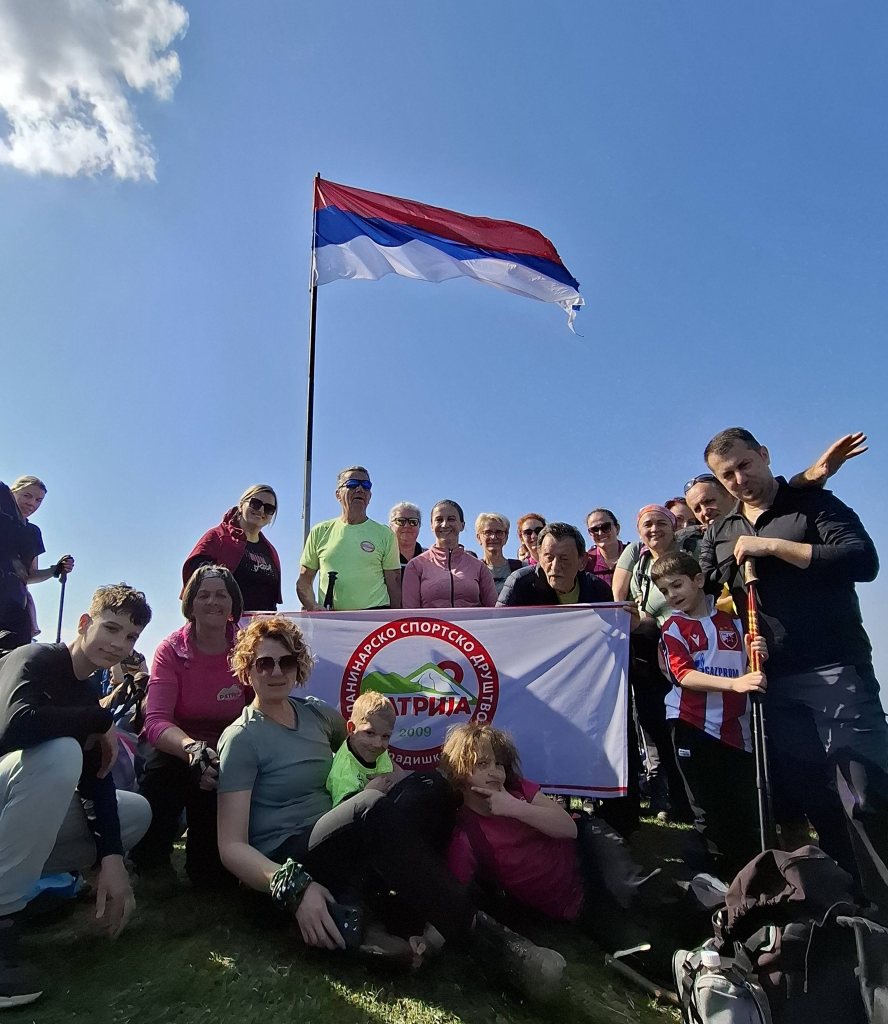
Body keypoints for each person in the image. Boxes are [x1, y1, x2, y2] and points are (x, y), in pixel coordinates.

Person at [216, 616, 565, 1000]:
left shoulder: (315, 714)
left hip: (339, 842)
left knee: (433, 785)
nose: (276, 671)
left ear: (298, 667)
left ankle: (378, 913)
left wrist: (406, 788)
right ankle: (497, 946)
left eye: (285, 661)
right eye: (264, 662)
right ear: (246, 669)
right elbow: (231, 847)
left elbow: (363, 745)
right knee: (367, 806)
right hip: (287, 861)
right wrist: (293, 887)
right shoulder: (241, 738)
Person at [701, 427, 888, 904]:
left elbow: (862, 560)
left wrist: (773, 548)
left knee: (865, 797)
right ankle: (852, 908)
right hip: (772, 684)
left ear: (764, 455)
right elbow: (707, 591)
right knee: (814, 801)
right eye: (728, 474)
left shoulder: (815, 506)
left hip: (835, 670)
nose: (740, 479)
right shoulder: (722, 532)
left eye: (746, 465)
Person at [0, 584, 153, 1007]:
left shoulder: (86, 692)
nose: (119, 644)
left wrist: (112, 861)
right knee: (61, 751)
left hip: (12, 819)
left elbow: (97, 779)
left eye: (130, 637)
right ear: (84, 623)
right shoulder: (35, 658)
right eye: (111, 628)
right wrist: (98, 718)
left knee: (135, 812)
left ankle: (22, 893)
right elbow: (16, 726)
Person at [131, 566, 249, 891]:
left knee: (213, 881)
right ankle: (151, 859)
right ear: (189, 603)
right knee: (163, 772)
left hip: (226, 755)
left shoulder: (247, 648)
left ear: (232, 603)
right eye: (203, 595)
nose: (213, 601)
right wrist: (192, 749)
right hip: (177, 751)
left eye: (221, 594)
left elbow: (259, 709)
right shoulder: (170, 650)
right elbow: (155, 721)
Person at [653, 552, 767, 879]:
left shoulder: (734, 621)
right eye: (665, 591)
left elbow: (753, 669)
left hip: (736, 731)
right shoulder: (674, 627)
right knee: (708, 810)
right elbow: (683, 675)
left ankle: (753, 880)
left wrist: (759, 658)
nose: (672, 595)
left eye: (677, 585)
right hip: (691, 726)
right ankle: (716, 885)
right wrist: (736, 683)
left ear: (698, 580)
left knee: (744, 808)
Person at [612, 506, 693, 824]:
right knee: (654, 728)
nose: (655, 528)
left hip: (686, 651)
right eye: (648, 524)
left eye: (662, 522)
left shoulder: (688, 554)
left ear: (674, 527)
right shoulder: (635, 554)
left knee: (685, 728)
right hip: (647, 654)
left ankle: (691, 800)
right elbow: (619, 598)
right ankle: (667, 797)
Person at [298, 467, 401, 612]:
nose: (360, 489)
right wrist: (312, 606)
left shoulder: (385, 534)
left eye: (366, 486)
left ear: (370, 495)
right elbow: (304, 580)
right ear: (338, 494)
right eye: (352, 484)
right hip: (332, 618)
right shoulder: (320, 531)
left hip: (375, 618)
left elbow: (394, 583)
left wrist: (394, 621)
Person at [183, 485, 282, 612]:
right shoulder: (217, 537)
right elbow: (194, 584)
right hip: (223, 626)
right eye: (256, 503)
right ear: (241, 505)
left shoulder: (270, 552)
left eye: (269, 508)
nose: (262, 510)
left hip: (260, 628)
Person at [9, 477, 75, 639]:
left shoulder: (32, 533)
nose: (32, 503)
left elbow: (29, 575)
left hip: (16, 607)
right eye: (27, 496)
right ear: (11, 493)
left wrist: (55, 569)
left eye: (39, 500)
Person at [403, 501, 497, 609]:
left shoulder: (479, 567)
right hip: (432, 626)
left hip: (470, 625)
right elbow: (410, 614)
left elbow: (493, 611)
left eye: (451, 519)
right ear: (432, 526)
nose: (445, 524)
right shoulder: (416, 566)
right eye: (439, 520)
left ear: (462, 525)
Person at [498, 522, 613, 607]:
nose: (555, 566)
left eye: (564, 559)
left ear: (582, 561)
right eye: (549, 558)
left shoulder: (598, 590)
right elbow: (498, 628)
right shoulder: (519, 584)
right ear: (540, 557)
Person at [326, 690, 405, 807]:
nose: (378, 743)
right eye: (369, 733)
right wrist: (368, 794)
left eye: (385, 736)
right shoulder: (344, 772)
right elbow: (342, 815)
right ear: (351, 728)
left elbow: (400, 773)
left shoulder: (375, 750)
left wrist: (390, 777)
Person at [475, 513, 522, 596]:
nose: (493, 537)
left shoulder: (520, 568)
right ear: (479, 538)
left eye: (499, 532)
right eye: (488, 532)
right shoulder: (473, 571)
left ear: (506, 537)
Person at [583, 508, 627, 590]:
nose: (600, 533)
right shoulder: (586, 563)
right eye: (594, 530)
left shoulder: (635, 556)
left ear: (617, 529)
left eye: (605, 527)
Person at [389, 503, 424, 578]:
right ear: (390, 525)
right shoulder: (381, 556)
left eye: (413, 522)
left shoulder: (430, 559)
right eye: (401, 521)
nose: (407, 526)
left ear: (419, 525)